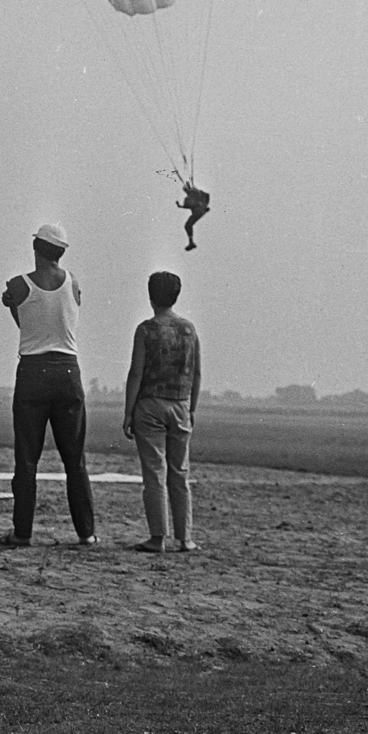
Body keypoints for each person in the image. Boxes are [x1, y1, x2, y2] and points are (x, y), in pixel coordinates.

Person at [0, 223, 97, 549]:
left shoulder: (17, 285)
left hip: (33, 372)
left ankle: (22, 533)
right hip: (68, 371)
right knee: (75, 459)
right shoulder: (74, 283)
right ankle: (86, 533)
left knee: (27, 458)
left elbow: (24, 324)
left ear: (37, 247)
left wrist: (13, 303)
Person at [122, 270, 201, 553]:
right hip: (180, 405)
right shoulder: (189, 330)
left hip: (150, 406)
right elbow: (196, 374)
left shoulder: (146, 329)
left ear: (150, 294)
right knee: (179, 473)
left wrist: (128, 412)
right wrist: (191, 408)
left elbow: (136, 373)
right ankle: (185, 538)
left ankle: (158, 538)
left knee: (154, 473)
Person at [176, 182, 210, 251]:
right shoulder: (196, 193)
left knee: (188, 225)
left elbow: (189, 205)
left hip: (198, 211)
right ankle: (191, 242)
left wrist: (180, 206)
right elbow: (206, 196)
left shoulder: (191, 196)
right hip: (200, 211)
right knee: (188, 225)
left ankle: (191, 242)